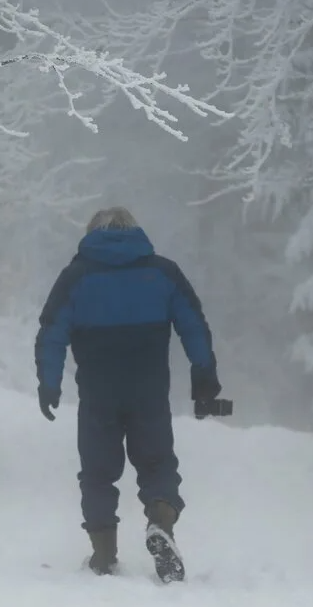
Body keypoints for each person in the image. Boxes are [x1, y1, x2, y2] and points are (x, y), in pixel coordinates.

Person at [34, 206, 222, 582]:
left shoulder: (77, 276)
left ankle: (104, 556)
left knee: (98, 472)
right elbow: (193, 324)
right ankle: (160, 524)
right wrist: (204, 374)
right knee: (157, 464)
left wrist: (49, 382)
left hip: (98, 391)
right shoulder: (162, 273)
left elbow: (52, 332)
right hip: (148, 388)